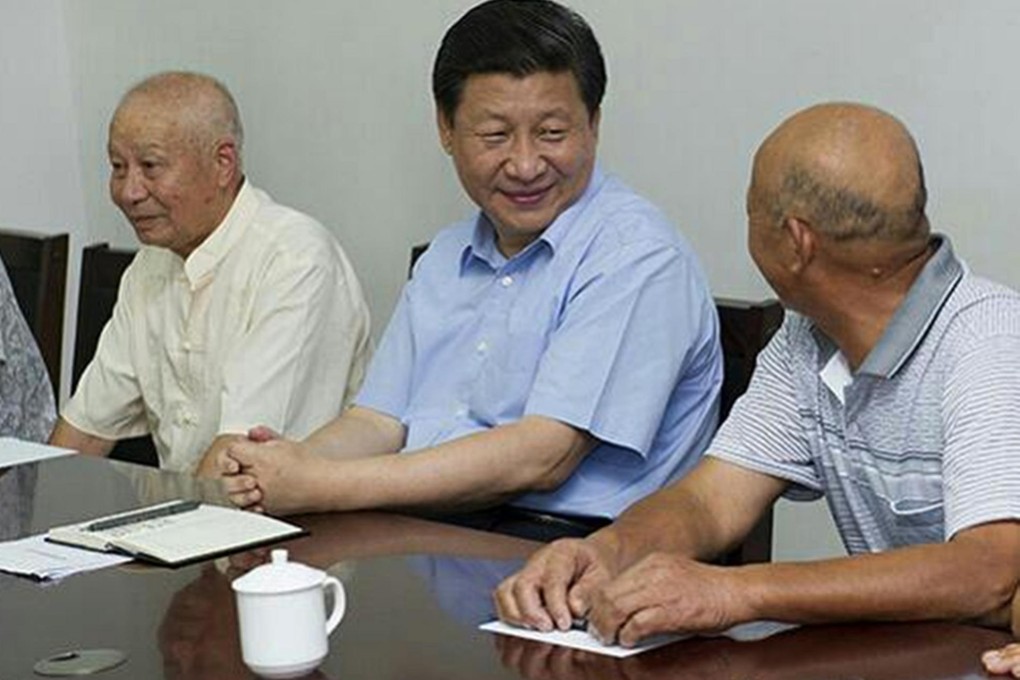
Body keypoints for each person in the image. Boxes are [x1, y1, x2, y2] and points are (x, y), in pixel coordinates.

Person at [494, 102, 1020, 646]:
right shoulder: (805, 338)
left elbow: (988, 571)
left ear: (796, 242)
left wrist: (736, 592)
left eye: (751, 209)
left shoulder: (989, 340)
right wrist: (607, 551)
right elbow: (711, 501)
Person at [216, 0, 721, 519]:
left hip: (573, 548)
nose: (525, 165)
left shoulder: (637, 256)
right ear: (446, 128)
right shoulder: (446, 255)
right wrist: (284, 467)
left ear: (592, 123)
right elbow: (379, 422)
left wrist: (322, 485)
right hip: (432, 534)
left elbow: (544, 456)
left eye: (551, 133)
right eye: (495, 136)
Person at [49, 71, 371, 475]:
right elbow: (85, 432)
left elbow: (238, 460)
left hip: (283, 510)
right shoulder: (149, 266)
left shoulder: (295, 260)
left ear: (223, 163)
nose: (129, 192)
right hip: (191, 505)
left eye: (150, 166)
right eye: (117, 166)